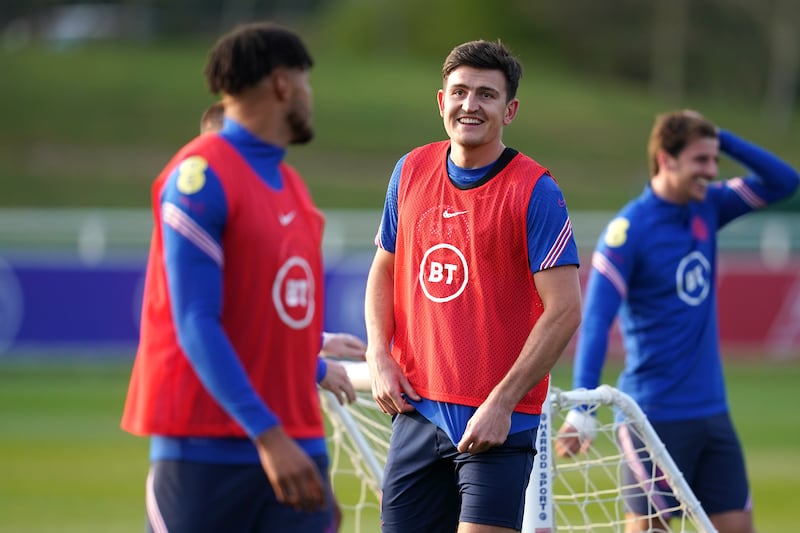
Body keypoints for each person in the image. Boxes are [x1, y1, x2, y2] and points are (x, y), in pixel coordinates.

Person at [121, 22, 345, 532]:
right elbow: (196, 321)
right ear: (283, 84)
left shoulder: (294, 188)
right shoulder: (200, 175)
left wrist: (311, 370)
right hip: (208, 454)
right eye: (307, 82)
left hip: (298, 443)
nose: (311, 97)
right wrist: (269, 437)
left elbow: (263, 315)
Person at [364, 39, 583, 532]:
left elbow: (565, 309)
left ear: (510, 110)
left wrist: (502, 402)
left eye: (486, 95)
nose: (470, 105)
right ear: (441, 101)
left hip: (497, 423)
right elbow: (384, 268)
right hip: (418, 413)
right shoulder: (410, 170)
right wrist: (378, 354)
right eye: (460, 92)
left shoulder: (535, 191)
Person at [556, 109, 800, 533]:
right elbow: (596, 322)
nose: (710, 171)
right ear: (666, 160)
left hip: (713, 414)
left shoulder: (710, 205)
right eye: (700, 161)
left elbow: (786, 181)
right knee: (651, 529)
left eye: (714, 161)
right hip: (652, 416)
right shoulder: (628, 232)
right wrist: (584, 408)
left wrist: (721, 138)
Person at [198, 99, 367, 407]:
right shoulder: (206, 211)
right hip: (226, 404)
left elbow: (264, 308)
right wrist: (314, 366)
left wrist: (321, 342)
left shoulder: (282, 199)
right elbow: (232, 323)